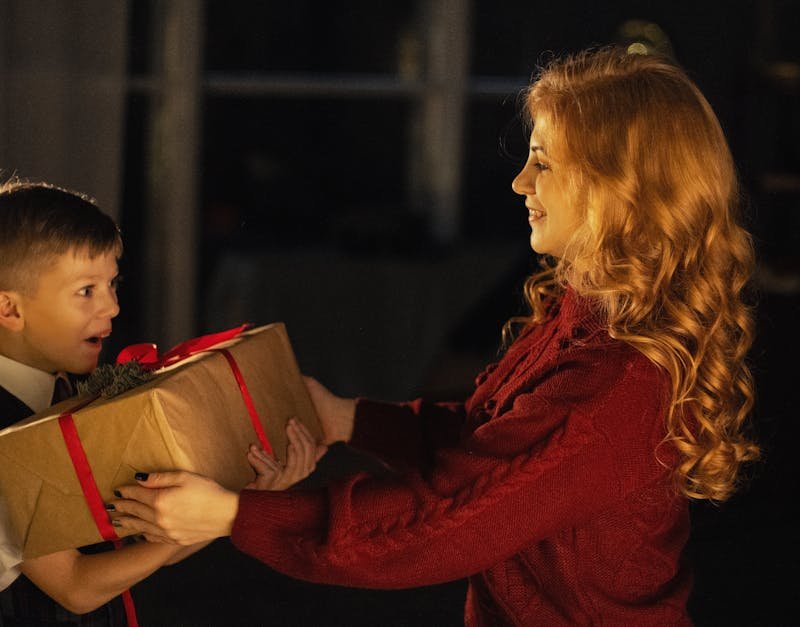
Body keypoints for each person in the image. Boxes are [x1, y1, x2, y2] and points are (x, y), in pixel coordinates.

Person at [109, 47, 760, 626]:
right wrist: (349, 418)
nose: (520, 183)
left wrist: (232, 515)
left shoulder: (616, 380)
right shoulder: (587, 316)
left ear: (618, 188)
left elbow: (440, 522)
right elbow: (490, 449)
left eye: (543, 164)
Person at [0, 179, 321, 625]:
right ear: (10, 310)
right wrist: (197, 517)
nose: (112, 306)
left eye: (112, 283)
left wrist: (246, 500)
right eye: (85, 290)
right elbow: (76, 586)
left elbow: (145, 550)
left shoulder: (68, 396)